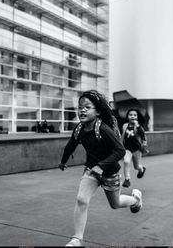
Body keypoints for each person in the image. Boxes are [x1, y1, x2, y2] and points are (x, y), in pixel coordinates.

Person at [58, 90, 143, 246]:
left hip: (110, 173)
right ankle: (77, 238)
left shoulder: (103, 129)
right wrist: (63, 161)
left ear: (97, 111)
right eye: (80, 107)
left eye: (87, 107)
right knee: (81, 200)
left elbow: (120, 151)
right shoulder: (79, 129)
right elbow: (70, 145)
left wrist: (101, 166)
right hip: (91, 171)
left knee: (115, 204)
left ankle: (135, 200)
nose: (82, 110)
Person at [121, 109, 147, 188]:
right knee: (126, 161)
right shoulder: (125, 126)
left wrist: (138, 126)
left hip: (136, 150)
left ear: (137, 117)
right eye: (130, 115)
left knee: (136, 167)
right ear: (128, 116)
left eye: (135, 115)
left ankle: (141, 169)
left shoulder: (139, 127)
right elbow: (122, 136)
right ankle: (127, 180)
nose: (132, 116)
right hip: (127, 149)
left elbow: (142, 135)